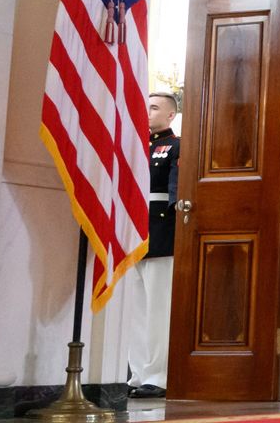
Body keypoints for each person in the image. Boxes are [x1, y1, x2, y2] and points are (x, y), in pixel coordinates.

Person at [127, 92, 180, 398]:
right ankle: (137, 373)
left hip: (160, 230)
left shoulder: (175, 145)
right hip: (134, 229)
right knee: (136, 308)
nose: (147, 111)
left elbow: (175, 192)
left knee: (158, 307)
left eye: (155, 107)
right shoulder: (136, 145)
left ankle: (158, 376)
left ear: (171, 115)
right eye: (145, 104)